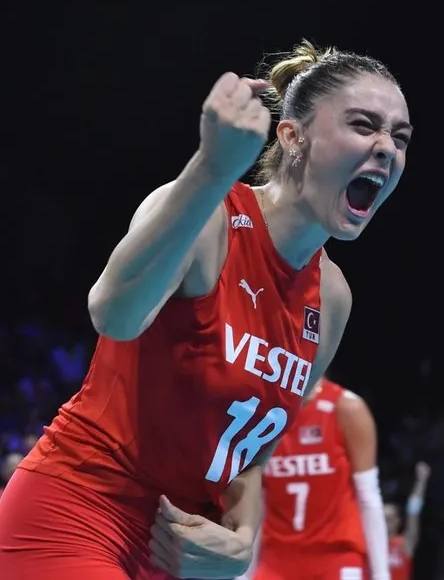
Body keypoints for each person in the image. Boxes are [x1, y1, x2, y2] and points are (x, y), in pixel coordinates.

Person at [0, 39, 412, 580]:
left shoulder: (332, 298)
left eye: (400, 137)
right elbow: (113, 313)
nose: (386, 148)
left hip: (174, 552)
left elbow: (252, 451)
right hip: (77, 513)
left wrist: (244, 537)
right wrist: (211, 169)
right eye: (364, 125)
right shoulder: (211, 216)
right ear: (293, 137)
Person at [247, 378, 390, 580]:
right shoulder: (261, 414)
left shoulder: (347, 408)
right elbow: (256, 501)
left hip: (336, 556)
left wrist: (382, 574)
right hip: (277, 559)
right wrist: (245, 572)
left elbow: (369, 497)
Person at [384, 462, 431, 580]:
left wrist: (421, 482)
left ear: (398, 521)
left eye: (389, 519)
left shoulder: (405, 543)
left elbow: (413, 512)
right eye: (383, 519)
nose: (386, 523)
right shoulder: (371, 545)